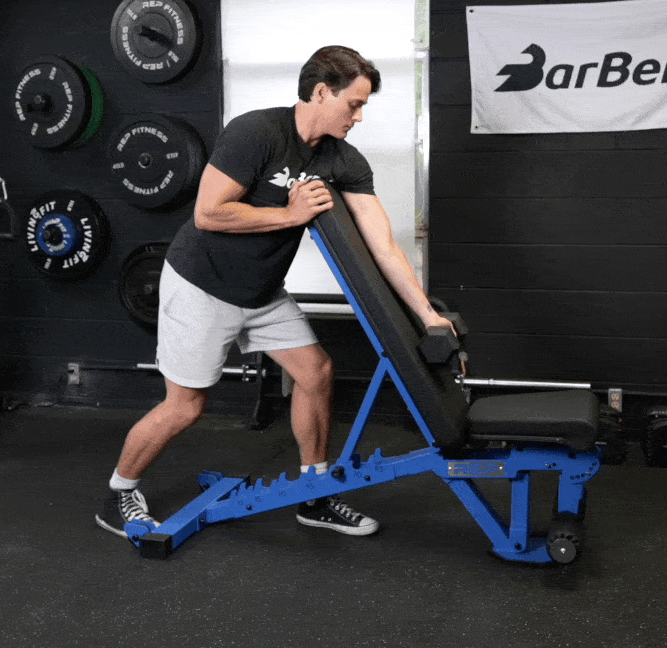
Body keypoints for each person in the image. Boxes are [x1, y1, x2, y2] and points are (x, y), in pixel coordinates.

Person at [96, 45, 454, 541]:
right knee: (186, 406)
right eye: (354, 104)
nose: (360, 116)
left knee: (317, 372)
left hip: (262, 291)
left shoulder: (342, 159)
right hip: (204, 282)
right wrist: (289, 215)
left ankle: (315, 494)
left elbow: (384, 245)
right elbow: (208, 213)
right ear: (322, 92)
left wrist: (427, 316)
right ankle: (121, 491)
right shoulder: (257, 132)